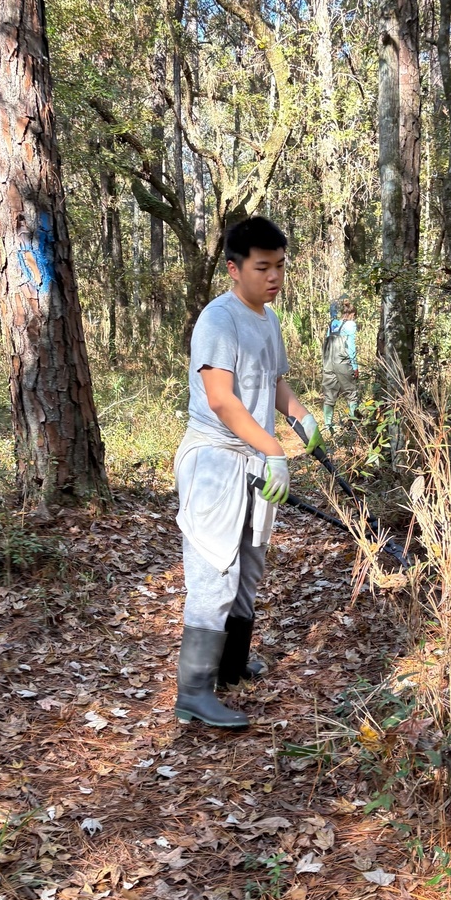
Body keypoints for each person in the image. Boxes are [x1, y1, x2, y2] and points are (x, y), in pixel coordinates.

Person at [173, 216, 324, 728]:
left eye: (280, 266)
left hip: (254, 459)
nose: (275, 276)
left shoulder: (267, 318)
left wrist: (300, 415)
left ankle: (231, 665)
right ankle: (194, 691)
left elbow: (275, 384)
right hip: (216, 462)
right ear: (235, 269)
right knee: (216, 570)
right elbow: (221, 400)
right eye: (263, 267)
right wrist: (275, 450)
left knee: (249, 566)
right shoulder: (219, 320)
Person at [321, 297, 359, 434]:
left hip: (328, 362)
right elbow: (351, 347)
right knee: (351, 393)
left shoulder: (333, 324)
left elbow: (326, 342)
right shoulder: (350, 325)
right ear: (352, 314)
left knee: (329, 395)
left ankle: (327, 426)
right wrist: (354, 366)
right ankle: (354, 426)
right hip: (342, 361)